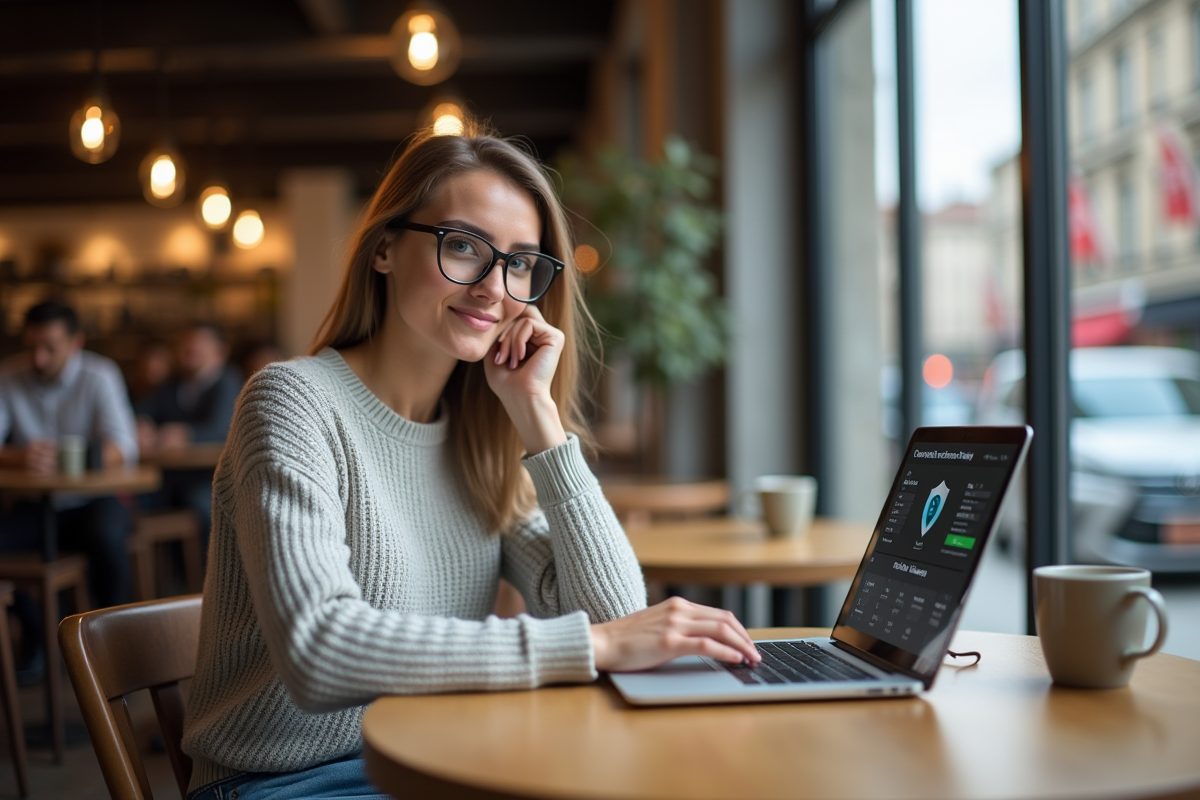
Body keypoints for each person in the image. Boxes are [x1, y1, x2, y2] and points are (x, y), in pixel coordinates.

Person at [181, 123, 760, 800]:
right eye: (462, 245)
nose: (494, 287)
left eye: (520, 263)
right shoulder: (292, 401)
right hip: (286, 781)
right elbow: (318, 651)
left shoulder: (484, 437)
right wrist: (593, 649)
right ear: (384, 249)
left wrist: (537, 414)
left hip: (435, 756)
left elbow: (614, 614)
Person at [0, 300, 139, 675]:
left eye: (50, 348)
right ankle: (44, 639)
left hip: (94, 500)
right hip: (36, 504)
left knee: (107, 539)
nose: (38, 358)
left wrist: (67, 457)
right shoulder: (8, 376)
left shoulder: (99, 375)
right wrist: (18, 457)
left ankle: (116, 650)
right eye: (31, 347)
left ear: (76, 342)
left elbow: (123, 447)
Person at [136, 323, 243, 543]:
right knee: (131, 508)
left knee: (203, 505)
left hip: (212, 477)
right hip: (168, 477)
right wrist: (142, 424)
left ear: (220, 351)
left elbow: (222, 429)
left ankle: (207, 563)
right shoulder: (173, 383)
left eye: (198, 345)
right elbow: (145, 410)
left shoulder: (228, 382)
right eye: (186, 344)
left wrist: (186, 435)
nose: (190, 349)